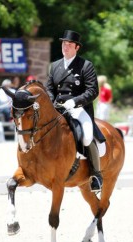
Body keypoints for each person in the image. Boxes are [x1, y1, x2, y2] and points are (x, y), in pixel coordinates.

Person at [46, 29, 103, 192]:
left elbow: (93, 91)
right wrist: (52, 100)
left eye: (69, 44)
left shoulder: (85, 66)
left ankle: (96, 176)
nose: (65, 46)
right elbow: (49, 88)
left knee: (86, 136)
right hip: (59, 108)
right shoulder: (55, 66)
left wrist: (75, 101)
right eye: (64, 43)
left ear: (77, 47)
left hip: (79, 109)